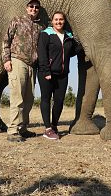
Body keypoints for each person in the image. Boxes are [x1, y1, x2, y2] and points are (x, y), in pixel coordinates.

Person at [2, 0, 44, 142]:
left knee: (29, 99)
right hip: (17, 61)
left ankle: (22, 128)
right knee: (17, 97)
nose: (34, 9)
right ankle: (13, 131)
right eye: (31, 6)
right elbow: (6, 40)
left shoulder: (40, 27)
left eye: (36, 7)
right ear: (26, 8)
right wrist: (6, 59)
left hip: (33, 66)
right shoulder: (17, 20)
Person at [37, 11, 77, 140]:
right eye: (56, 20)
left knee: (59, 102)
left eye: (61, 19)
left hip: (63, 74)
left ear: (64, 21)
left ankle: (54, 126)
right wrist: (46, 71)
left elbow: (71, 52)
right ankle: (47, 129)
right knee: (46, 100)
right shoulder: (46, 34)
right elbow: (42, 54)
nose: (58, 22)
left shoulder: (68, 36)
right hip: (47, 73)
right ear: (52, 21)